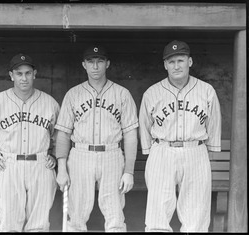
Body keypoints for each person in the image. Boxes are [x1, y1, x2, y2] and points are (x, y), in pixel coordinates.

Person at [0, 53, 60, 232]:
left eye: (27, 73)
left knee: (39, 225)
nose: (23, 78)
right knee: (9, 225)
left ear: (35, 74)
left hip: (40, 165)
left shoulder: (50, 103)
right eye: (19, 73)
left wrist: (54, 156)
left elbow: (59, 136)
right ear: (11, 75)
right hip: (10, 165)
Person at [139, 40, 222, 232]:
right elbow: (144, 125)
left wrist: (207, 151)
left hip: (195, 150)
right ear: (165, 65)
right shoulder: (152, 92)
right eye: (171, 61)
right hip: (162, 150)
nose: (176, 65)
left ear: (190, 61)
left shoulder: (207, 91)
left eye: (180, 60)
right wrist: (153, 151)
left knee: (197, 214)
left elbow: (214, 123)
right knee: (157, 212)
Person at [55, 45, 138, 232]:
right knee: (76, 216)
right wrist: (61, 169)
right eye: (91, 62)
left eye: (100, 61)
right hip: (80, 154)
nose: (95, 66)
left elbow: (131, 134)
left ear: (107, 64)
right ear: (84, 65)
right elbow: (63, 133)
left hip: (112, 153)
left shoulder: (122, 94)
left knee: (115, 216)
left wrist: (129, 171)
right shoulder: (73, 94)